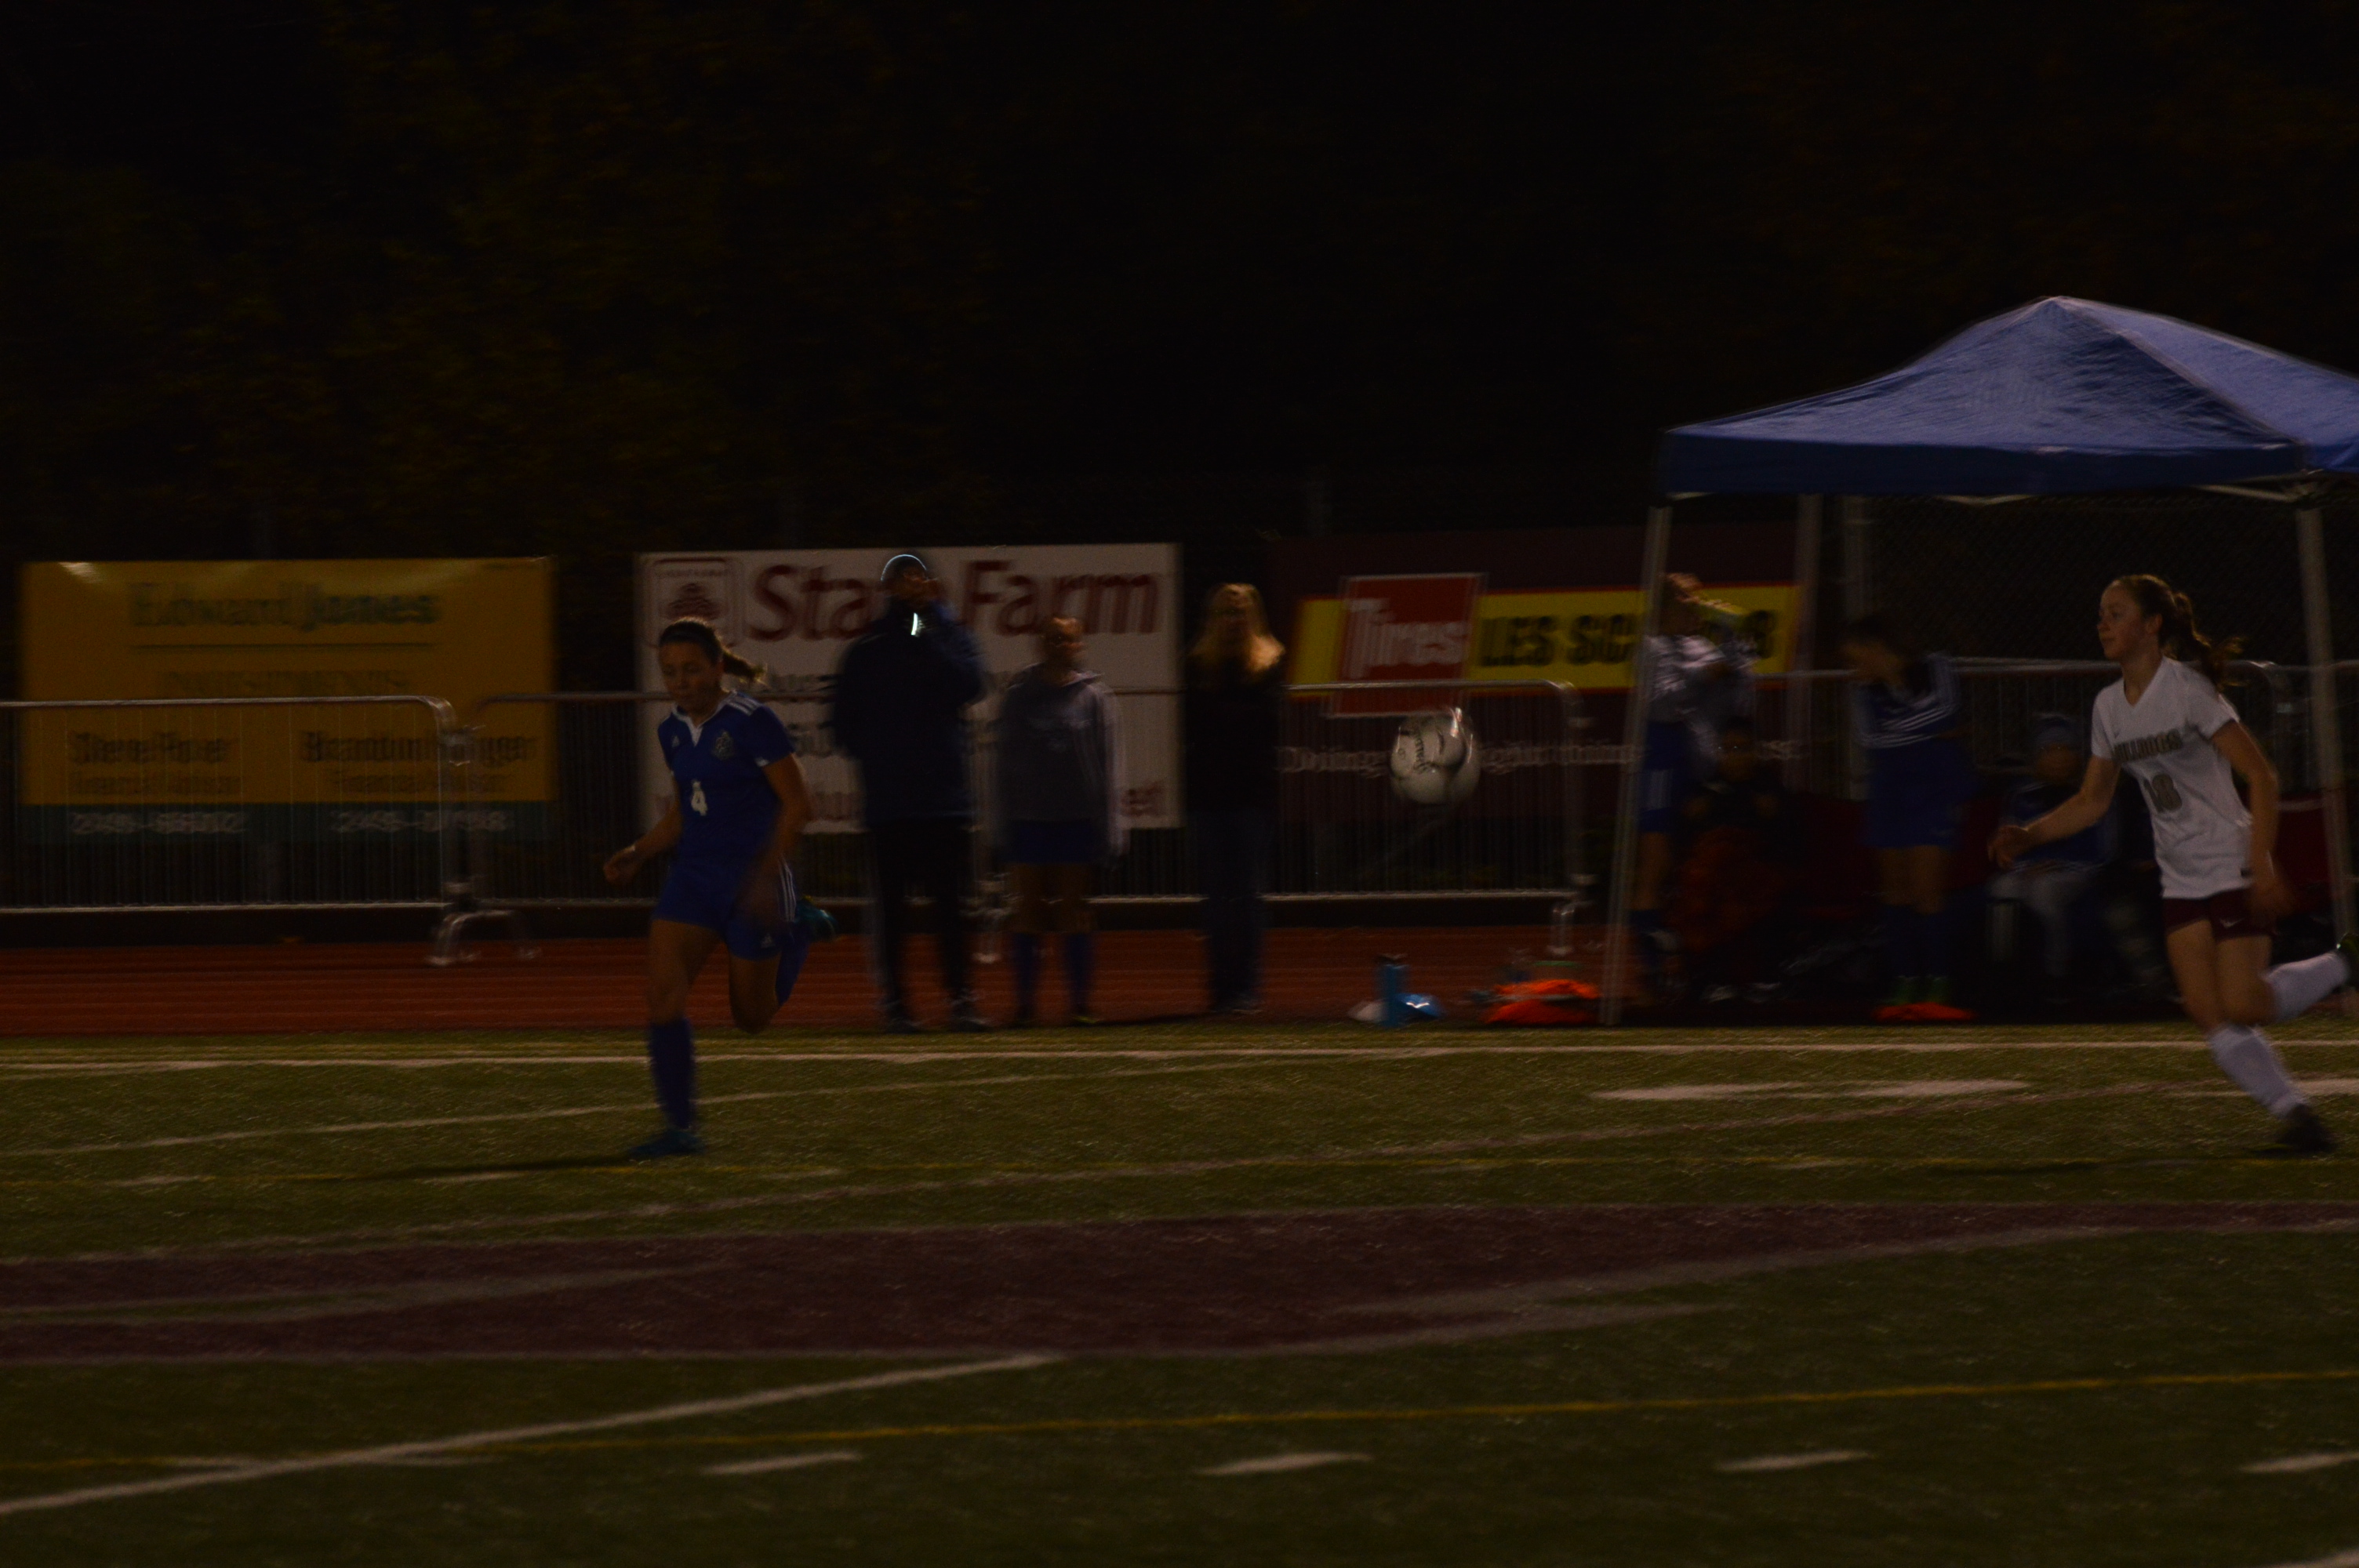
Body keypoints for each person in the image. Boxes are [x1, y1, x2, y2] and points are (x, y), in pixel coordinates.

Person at [1991, 575, 2349, 1154]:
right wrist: (2030, 835)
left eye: (2116, 613)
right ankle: (2298, 1117)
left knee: (2244, 1004)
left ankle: (2346, 960)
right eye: (2101, 614)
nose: (2103, 624)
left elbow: (2261, 775)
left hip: (2228, 859)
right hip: (2180, 875)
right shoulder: (2108, 706)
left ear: (2152, 625)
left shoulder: (2188, 690)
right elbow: (2092, 801)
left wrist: (2261, 862)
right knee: (2207, 1011)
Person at [602, 618, 813, 1159]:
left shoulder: (750, 720)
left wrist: (767, 877)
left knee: (752, 1019)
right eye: (670, 672)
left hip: (751, 880)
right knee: (662, 997)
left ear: (718, 667)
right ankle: (681, 1129)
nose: (681, 682)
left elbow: (798, 805)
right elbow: (683, 813)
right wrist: (639, 852)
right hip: (694, 879)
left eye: (692, 669)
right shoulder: (671, 731)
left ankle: (799, 931)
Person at [827, 552, 988, 1033]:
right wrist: (881, 756)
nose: (912, 586)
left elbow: (969, 685)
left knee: (950, 908)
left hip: (943, 801)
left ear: (932, 584)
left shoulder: (951, 636)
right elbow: (842, 723)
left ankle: (960, 999)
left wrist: (927, 630)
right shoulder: (868, 648)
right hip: (891, 804)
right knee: (893, 912)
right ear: (888, 589)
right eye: (902, 579)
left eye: (919, 577)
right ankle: (896, 1003)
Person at [1841, 613, 1979, 1022]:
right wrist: (1930, 732)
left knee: (1927, 892)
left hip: (1934, 792)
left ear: (1877, 649)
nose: (1854, 670)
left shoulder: (1937, 666)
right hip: (1889, 793)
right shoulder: (1863, 691)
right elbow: (1871, 739)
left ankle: (1938, 983)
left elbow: (1947, 710)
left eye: (1857, 658)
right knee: (1895, 893)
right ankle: (1903, 983)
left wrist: (1903, 728)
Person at [993, 615, 1126, 1025]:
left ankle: (1080, 1004)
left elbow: (1109, 765)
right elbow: (1002, 763)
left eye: (1067, 639)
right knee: (1027, 909)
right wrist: (1001, 823)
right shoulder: (1018, 697)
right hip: (1029, 818)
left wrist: (1111, 827)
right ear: (1040, 644)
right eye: (1052, 638)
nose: (1060, 645)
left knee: (1075, 910)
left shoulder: (1096, 698)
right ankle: (1025, 1005)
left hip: (1077, 820)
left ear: (1079, 645)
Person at [1631, 573, 1754, 996]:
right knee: (1656, 864)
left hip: (1699, 765)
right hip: (1663, 761)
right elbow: (1662, 704)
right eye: (1687, 600)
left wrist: (1735, 650)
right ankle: (1653, 967)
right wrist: (1706, 674)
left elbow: (1739, 704)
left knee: (1701, 865)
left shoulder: (1704, 647)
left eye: (1699, 600)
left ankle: (1698, 966)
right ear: (1664, 607)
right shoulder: (1651, 648)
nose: (1697, 608)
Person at [1185, 583, 1285, 1014]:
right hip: (1208, 797)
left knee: (1246, 894)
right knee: (1214, 898)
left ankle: (1246, 987)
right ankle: (1220, 987)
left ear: (1253, 616)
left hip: (1251, 797)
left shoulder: (1270, 663)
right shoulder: (1197, 665)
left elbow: (1263, 725)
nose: (1233, 620)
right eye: (1226, 612)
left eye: (1240, 612)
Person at [1986, 713, 2116, 1003]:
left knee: (2044, 892)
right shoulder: (2021, 795)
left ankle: (2055, 975)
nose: (2058, 757)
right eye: (2049, 750)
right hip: (2028, 871)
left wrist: (2060, 865)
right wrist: (2024, 867)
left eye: (2064, 749)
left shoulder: (2091, 794)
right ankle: (2002, 974)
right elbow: (2007, 843)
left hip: (2075, 872)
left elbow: (2103, 851)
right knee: (2002, 889)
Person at [1667, 716, 1797, 1000]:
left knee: (1726, 880)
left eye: (1742, 749)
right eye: (1728, 750)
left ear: (1755, 751)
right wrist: (1694, 819)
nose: (1735, 758)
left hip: (1756, 869)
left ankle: (1756, 976)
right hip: (1711, 874)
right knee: (1706, 879)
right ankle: (1712, 979)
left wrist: (1766, 819)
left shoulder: (1767, 789)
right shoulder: (1707, 790)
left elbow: (1786, 840)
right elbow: (1685, 838)